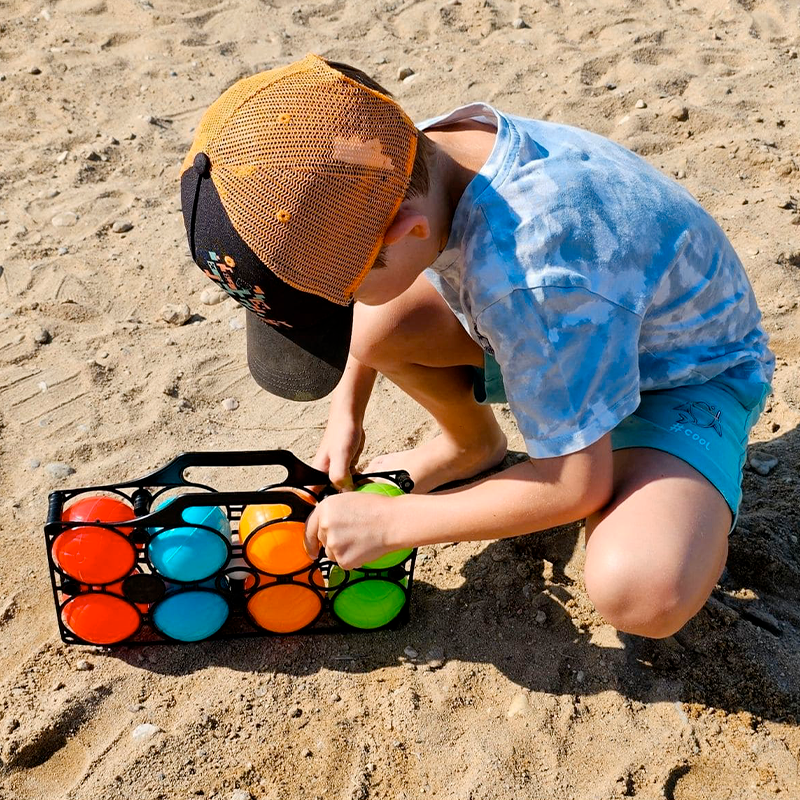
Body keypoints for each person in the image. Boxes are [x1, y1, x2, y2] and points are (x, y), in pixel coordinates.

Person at [180, 53, 774, 639]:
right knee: (377, 327)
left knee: (643, 588)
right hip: (569, 326)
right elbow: (407, 300)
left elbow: (573, 483)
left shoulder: (533, 276)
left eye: (343, 293)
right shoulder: (394, 152)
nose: (345, 308)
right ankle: (471, 448)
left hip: (680, 377)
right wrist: (347, 409)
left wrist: (398, 522)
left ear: (408, 231)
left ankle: (671, 486)